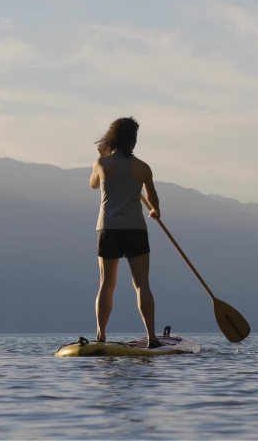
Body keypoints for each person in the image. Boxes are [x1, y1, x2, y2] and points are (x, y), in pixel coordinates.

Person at [89, 117, 162, 348]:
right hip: (135, 229)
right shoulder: (142, 167)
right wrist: (155, 211)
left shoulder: (102, 164)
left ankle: (100, 336)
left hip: (108, 228)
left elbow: (93, 184)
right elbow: (152, 199)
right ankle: (152, 337)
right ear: (133, 140)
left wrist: (101, 155)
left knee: (106, 284)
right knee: (142, 284)